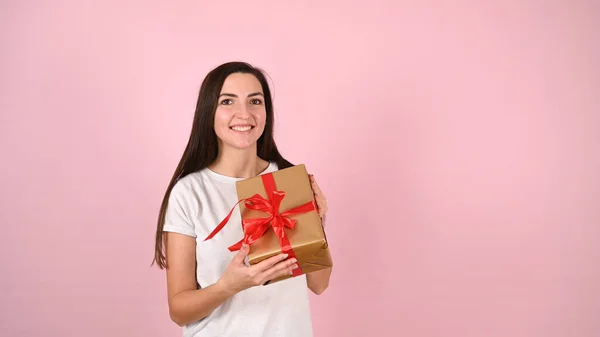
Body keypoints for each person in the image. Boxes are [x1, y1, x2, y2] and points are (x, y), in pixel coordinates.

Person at [152, 61, 332, 337]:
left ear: (266, 112)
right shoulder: (190, 192)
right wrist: (229, 285)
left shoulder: (287, 181)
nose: (244, 114)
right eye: (228, 101)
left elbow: (319, 283)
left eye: (255, 101)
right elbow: (179, 310)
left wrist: (317, 220)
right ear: (208, 112)